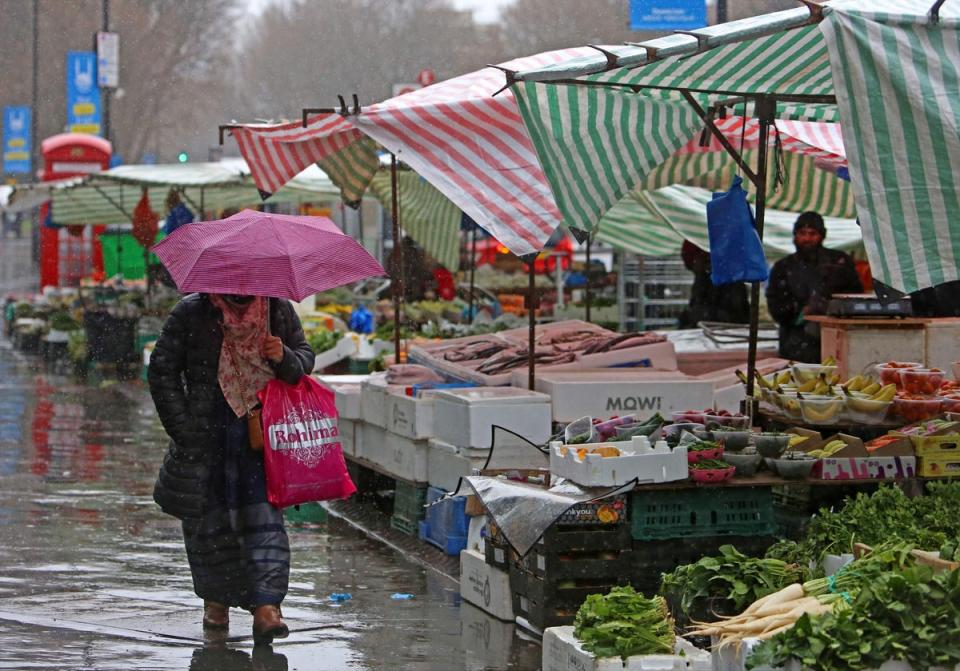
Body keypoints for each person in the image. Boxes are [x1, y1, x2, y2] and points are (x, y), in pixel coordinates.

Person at [147, 292, 315, 644]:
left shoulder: (276, 309)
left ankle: (267, 608)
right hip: (205, 441)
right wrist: (184, 429)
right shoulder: (193, 312)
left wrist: (283, 356)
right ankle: (216, 601)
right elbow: (162, 370)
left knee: (264, 521)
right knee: (209, 525)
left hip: (258, 438)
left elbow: (304, 359)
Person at [766, 212, 862, 362]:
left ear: (821, 235)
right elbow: (775, 305)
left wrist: (829, 308)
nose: (807, 239)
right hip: (795, 343)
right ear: (795, 235)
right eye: (802, 233)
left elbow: (855, 298)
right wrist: (801, 311)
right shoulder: (783, 267)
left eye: (812, 233)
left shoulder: (839, 262)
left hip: (836, 339)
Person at [679, 241, 750, 327]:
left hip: (727, 333)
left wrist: (695, 314)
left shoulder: (725, 279)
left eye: (693, 264)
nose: (693, 269)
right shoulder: (704, 277)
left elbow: (733, 317)